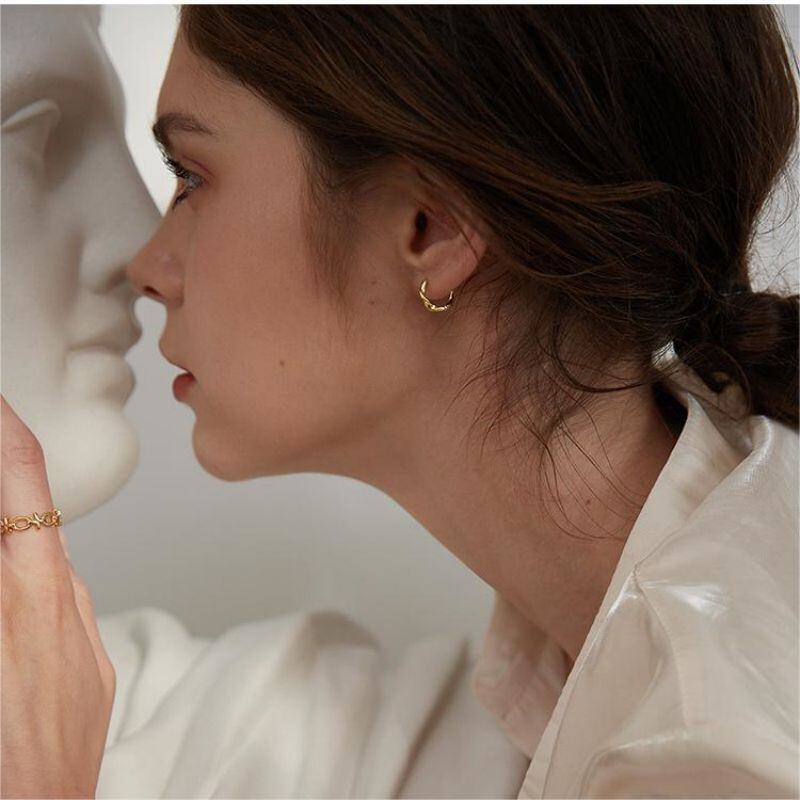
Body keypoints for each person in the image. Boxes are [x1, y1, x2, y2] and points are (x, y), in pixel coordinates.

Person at [2, 5, 798, 798]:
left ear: (431, 230)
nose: (147, 265)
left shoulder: (721, 756)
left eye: (191, 177)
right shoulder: (578, 667)